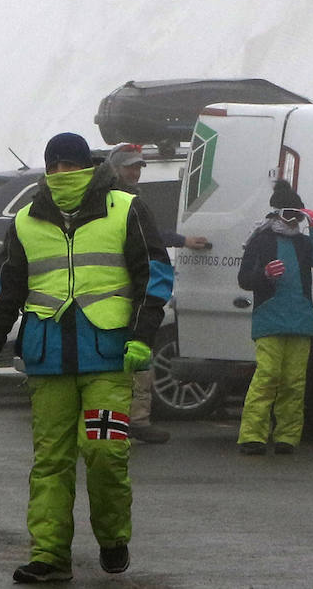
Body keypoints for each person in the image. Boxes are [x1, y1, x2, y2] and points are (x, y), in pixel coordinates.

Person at [0, 132, 173, 584]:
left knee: (105, 452)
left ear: (89, 167)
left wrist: (143, 336)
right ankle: (50, 555)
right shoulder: (25, 221)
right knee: (51, 461)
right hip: (49, 362)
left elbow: (154, 276)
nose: (62, 173)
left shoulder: (126, 209)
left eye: (71, 165)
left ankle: (113, 536)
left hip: (107, 359)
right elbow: (5, 291)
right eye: (54, 165)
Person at [103, 142, 210, 444]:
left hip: (135, 291)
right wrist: (181, 240)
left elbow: (150, 236)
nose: (135, 172)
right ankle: (119, 424)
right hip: (113, 293)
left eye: (138, 167)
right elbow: (144, 237)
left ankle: (136, 420)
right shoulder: (109, 201)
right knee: (116, 364)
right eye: (130, 167)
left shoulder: (132, 198)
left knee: (139, 359)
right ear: (115, 168)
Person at [234, 180, 313, 455]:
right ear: (277, 212)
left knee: (294, 381)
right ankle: (252, 435)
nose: (294, 221)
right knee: (267, 376)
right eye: (290, 214)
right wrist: (265, 274)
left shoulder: (304, 243)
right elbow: (244, 279)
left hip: (300, 320)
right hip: (269, 318)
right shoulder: (260, 240)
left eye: (299, 216)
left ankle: (287, 437)